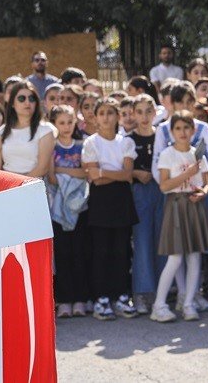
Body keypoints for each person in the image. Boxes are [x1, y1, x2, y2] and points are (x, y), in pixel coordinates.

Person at [150, 111, 208, 323]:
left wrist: (203, 192)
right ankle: (159, 305)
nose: (183, 132)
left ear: (193, 130)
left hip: (195, 206)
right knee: (175, 257)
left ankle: (188, 303)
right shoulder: (167, 154)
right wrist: (187, 174)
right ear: (171, 132)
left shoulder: (198, 154)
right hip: (176, 205)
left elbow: (207, 184)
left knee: (195, 256)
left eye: (187, 127)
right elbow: (164, 186)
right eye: (178, 128)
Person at [82, 98, 138, 320]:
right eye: (102, 113)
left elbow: (128, 175)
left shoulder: (126, 142)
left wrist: (104, 172)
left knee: (122, 251)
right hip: (100, 201)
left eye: (110, 113)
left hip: (122, 200)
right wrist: (116, 174)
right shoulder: (90, 143)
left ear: (117, 116)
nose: (106, 117)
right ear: (96, 118)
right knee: (101, 251)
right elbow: (94, 178)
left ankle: (122, 296)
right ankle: (102, 298)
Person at [46, 105, 90, 318]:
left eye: (69, 122)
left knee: (80, 252)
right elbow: (52, 177)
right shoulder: (51, 147)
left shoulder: (82, 145)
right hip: (58, 207)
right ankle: (64, 300)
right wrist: (71, 173)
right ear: (54, 124)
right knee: (62, 253)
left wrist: (64, 171)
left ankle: (80, 299)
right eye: (61, 122)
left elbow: (85, 172)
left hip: (79, 206)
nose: (66, 126)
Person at [128, 95, 165, 315]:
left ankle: (163, 290)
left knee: (162, 239)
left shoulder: (162, 136)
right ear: (133, 114)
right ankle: (142, 292)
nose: (144, 117)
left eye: (148, 112)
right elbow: (121, 166)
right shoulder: (127, 139)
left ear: (154, 113)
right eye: (139, 112)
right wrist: (135, 173)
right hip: (139, 192)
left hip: (162, 190)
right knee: (142, 241)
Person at [0, 82, 55, 179]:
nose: (27, 102)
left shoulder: (45, 130)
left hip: (32, 184)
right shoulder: (2, 131)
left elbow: (42, 168)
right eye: (21, 98)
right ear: (12, 103)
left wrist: (19, 184)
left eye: (31, 98)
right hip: (7, 184)